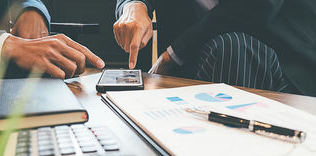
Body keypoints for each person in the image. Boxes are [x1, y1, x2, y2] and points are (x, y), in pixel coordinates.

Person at [113, 0, 316, 96]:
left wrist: (172, 55)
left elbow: (255, 7)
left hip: (286, 70)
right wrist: (134, 5)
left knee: (231, 48)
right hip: (197, 66)